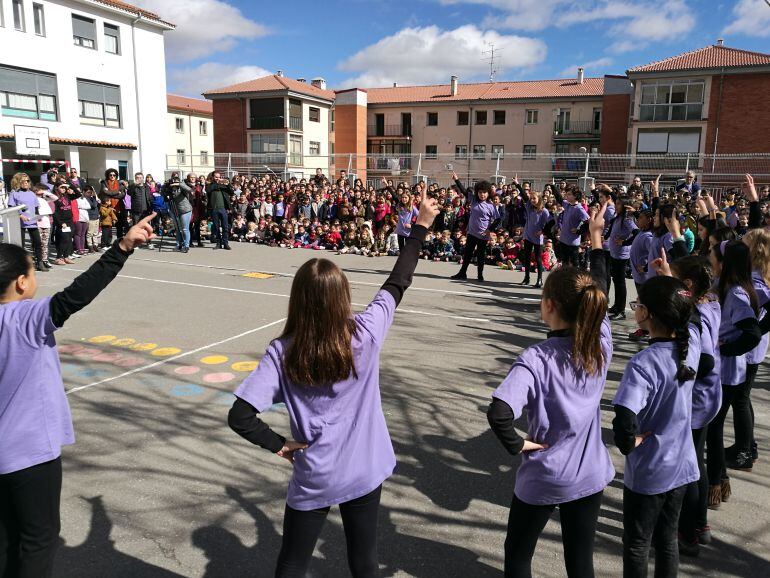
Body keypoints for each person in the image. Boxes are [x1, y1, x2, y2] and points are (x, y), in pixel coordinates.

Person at [227, 188, 439, 577]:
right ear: (343, 297)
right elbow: (398, 281)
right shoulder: (364, 332)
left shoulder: (284, 350)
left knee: (292, 561)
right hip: (364, 466)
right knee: (364, 560)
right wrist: (421, 225)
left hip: (316, 472)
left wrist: (280, 445)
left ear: (299, 301)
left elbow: (241, 416)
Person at [0, 213, 155, 578]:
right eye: (34, 273)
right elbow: (77, 294)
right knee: (39, 539)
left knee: (7, 538)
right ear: (22, 283)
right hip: (28, 454)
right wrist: (123, 247)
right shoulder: (24, 318)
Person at [487, 203, 614, 577]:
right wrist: (595, 236)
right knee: (580, 560)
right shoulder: (600, 342)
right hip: (590, 472)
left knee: (519, 554)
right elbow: (601, 285)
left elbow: (499, 413)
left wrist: (518, 444)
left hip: (545, 473)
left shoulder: (537, 358)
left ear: (549, 307)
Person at [613, 274, 699, 578]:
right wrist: (675, 284)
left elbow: (624, 417)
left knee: (637, 541)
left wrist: (629, 443)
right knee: (667, 537)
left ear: (646, 314)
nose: (635, 308)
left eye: (638, 304)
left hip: (651, 469)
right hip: (683, 463)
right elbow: (689, 314)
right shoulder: (692, 347)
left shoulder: (644, 363)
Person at [652, 253, 721, 556]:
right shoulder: (707, 303)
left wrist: (682, 373)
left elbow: (704, 359)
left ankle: (689, 530)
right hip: (706, 398)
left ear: (688, 285)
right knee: (697, 461)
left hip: (698, 400)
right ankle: (699, 525)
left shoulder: (698, 315)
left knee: (689, 467)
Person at [705, 240, 761, 508]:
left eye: (713, 255)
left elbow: (752, 332)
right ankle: (720, 481)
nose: (709, 258)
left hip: (726, 374)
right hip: (718, 371)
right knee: (711, 429)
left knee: (713, 430)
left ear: (724, 263)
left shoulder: (736, 293)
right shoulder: (722, 287)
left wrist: (728, 349)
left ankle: (714, 485)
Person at [450, 172, 498, 282]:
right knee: (467, 254)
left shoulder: (491, 206)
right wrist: (456, 180)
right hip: (471, 233)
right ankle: (462, 273)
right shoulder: (473, 200)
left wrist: (489, 230)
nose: (482, 195)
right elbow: (464, 191)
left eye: (485, 192)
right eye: (480, 192)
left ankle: (480, 276)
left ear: (488, 193)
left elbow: (498, 219)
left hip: (482, 236)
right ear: (477, 193)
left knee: (480, 256)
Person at [7, 173, 47, 272]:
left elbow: (36, 207)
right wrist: (20, 215)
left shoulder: (32, 193)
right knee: (21, 245)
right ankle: (21, 265)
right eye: (23, 181)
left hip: (32, 222)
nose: (26, 183)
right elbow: (11, 208)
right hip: (19, 222)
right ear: (18, 182)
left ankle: (40, 263)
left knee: (38, 242)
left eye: (27, 181)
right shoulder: (14, 193)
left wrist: (38, 216)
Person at [607, 196, 637, 320]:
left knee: (620, 282)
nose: (616, 205)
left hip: (621, 255)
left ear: (624, 206)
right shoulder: (618, 218)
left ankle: (621, 310)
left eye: (619, 204)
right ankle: (616, 306)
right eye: (616, 203)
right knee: (616, 280)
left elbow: (636, 232)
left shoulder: (627, 219)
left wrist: (624, 242)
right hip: (614, 253)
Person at [517, 184, 550, 288]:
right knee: (526, 258)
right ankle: (526, 278)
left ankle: (539, 280)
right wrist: (518, 185)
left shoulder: (544, 211)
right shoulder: (529, 208)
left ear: (539, 199)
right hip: (528, 236)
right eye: (531, 199)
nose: (532, 200)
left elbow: (551, 223)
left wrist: (543, 231)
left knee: (538, 259)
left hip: (537, 239)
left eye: (534, 198)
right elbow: (524, 196)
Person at [553, 185, 589, 268]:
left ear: (575, 196)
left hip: (572, 242)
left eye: (569, 194)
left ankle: (574, 280)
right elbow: (559, 198)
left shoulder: (579, 209)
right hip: (563, 239)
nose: (567, 196)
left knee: (574, 264)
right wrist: (553, 186)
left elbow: (588, 222)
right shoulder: (567, 205)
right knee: (564, 263)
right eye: (567, 194)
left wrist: (579, 231)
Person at [206, 172, 232, 250]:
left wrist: (227, 184)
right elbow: (208, 190)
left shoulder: (223, 185)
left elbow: (231, 192)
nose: (218, 178)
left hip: (223, 208)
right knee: (216, 227)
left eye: (219, 177)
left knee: (225, 227)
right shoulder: (209, 185)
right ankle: (219, 243)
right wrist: (219, 183)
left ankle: (225, 243)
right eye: (216, 177)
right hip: (214, 209)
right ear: (213, 177)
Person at [99, 169, 127, 239]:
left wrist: (110, 193)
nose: (112, 176)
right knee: (108, 227)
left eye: (114, 175)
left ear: (116, 176)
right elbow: (104, 192)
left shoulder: (120, 184)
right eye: (110, 175)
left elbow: (123, 195)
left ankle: (119, 241)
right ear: (108, 175)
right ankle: (106, 243)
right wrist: (117, 192)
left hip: (118, 207)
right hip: (107, 207)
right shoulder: (104, 183)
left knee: (119, 226)